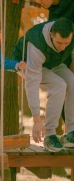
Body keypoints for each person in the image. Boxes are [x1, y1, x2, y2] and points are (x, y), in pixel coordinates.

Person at [24, 17, 74, 152]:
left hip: (53, 63)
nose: (63, 47)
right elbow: (31, 83)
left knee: (72, 81)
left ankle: (71, 132)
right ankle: (50, 135)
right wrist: (36, 120)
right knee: (59, 85)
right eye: (59, 43)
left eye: (66, 43)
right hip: (27, 65)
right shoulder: (37, 44)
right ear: (51, 34)